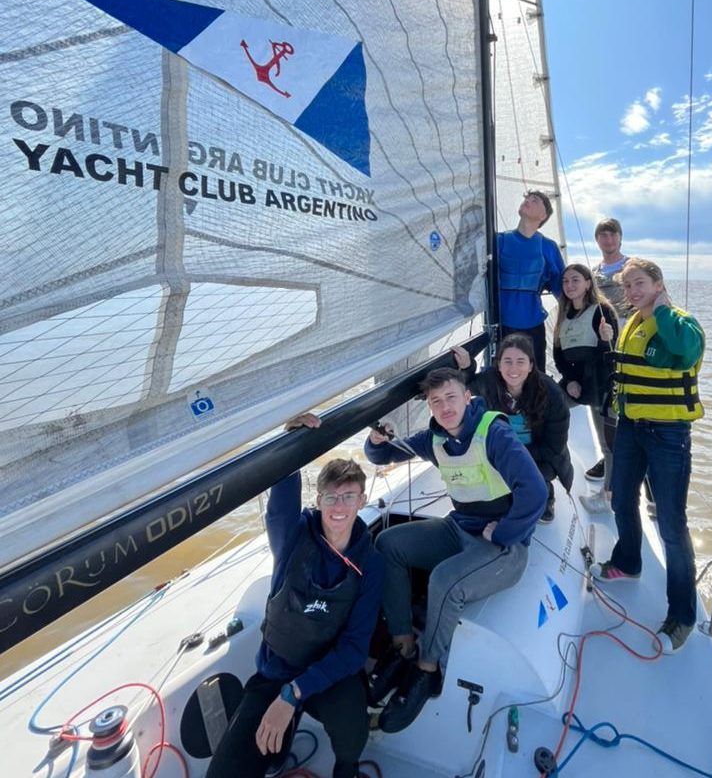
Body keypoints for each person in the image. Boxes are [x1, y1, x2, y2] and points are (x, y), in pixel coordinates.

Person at [364, 368, 547, 732]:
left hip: (503, 548)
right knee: (387, 544)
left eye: (451, 397)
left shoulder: (493, 433)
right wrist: (374, 439)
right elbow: (381, 455)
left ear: (467, 397)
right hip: (459, 529)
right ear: (430, 408)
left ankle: (427, 669)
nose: (445, 407)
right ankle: (403, 646)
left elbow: (536, 491)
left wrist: (505, 532)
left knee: (444, 580)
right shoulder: (434, 438)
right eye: (436, 401)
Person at [207, 428, 385, 778]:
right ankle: (276, 742)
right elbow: (282, 498)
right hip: (276, 671)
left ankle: (346, 769)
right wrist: (293, 438)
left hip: (328, 674)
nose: (339, 507)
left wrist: (293, 694)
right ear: (317, 500)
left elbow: (353, 650)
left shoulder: (371, 562)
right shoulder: (292, 536)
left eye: (348, 497)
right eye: (330, 497)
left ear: (362, 501)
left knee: (352, 727)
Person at [590, 259, 705, 657]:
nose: (632, 292)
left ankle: (683, 616)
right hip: (632, 428)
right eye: (627, 286)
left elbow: (685, 351)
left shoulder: (681, 322)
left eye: (639, 283)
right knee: (622, 499)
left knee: (672, 523)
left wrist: (664, 310)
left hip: (668, 434)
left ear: (658, 284)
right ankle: (628, 562)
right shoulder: (633, 324)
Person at [451, 333, 572, 524]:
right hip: (502, 452)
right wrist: (468, 367)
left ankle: (545, 494)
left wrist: (513, 456)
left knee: (531, 476)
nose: (513, 368)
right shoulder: (489, 382)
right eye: (507, 361)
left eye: (520, 361)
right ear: (498, 365)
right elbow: (463, 387)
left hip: (540, 458)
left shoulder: (552, 394)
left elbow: (553, 448)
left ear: (530, 365)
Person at [551, 264, 618, 513]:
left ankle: (609, 496)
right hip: (575, 385)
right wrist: (570, 380)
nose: (569, 285)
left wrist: (607, 339)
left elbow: (610, 354)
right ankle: (549, 469)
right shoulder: (563, 314)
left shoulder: (602, 311)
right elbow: (559, 355)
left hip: (602, 386)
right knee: (544, 407)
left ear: (588, 283)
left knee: (608, 444)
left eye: (575, 280)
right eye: (565, 281)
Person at [584, 217, 631, 485]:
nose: (608, 239)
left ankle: (629, 462)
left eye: (613, 234)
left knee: (626, 407)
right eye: (603, 235)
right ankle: (608, 456)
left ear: (620, 237)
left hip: (629, 345)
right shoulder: (593, 273)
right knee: (601, 403)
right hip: (601, 348)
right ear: (597, 240)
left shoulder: (632, 267)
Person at [497, 190, 565, 370]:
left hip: (533, 327)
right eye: (527, 198)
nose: (528, 200)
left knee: (536, 379)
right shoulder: (498, 241)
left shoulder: (548, 247)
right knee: (502, 379)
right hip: (500, 325)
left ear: (543, 216)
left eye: (535, 200)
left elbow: (563, 290)